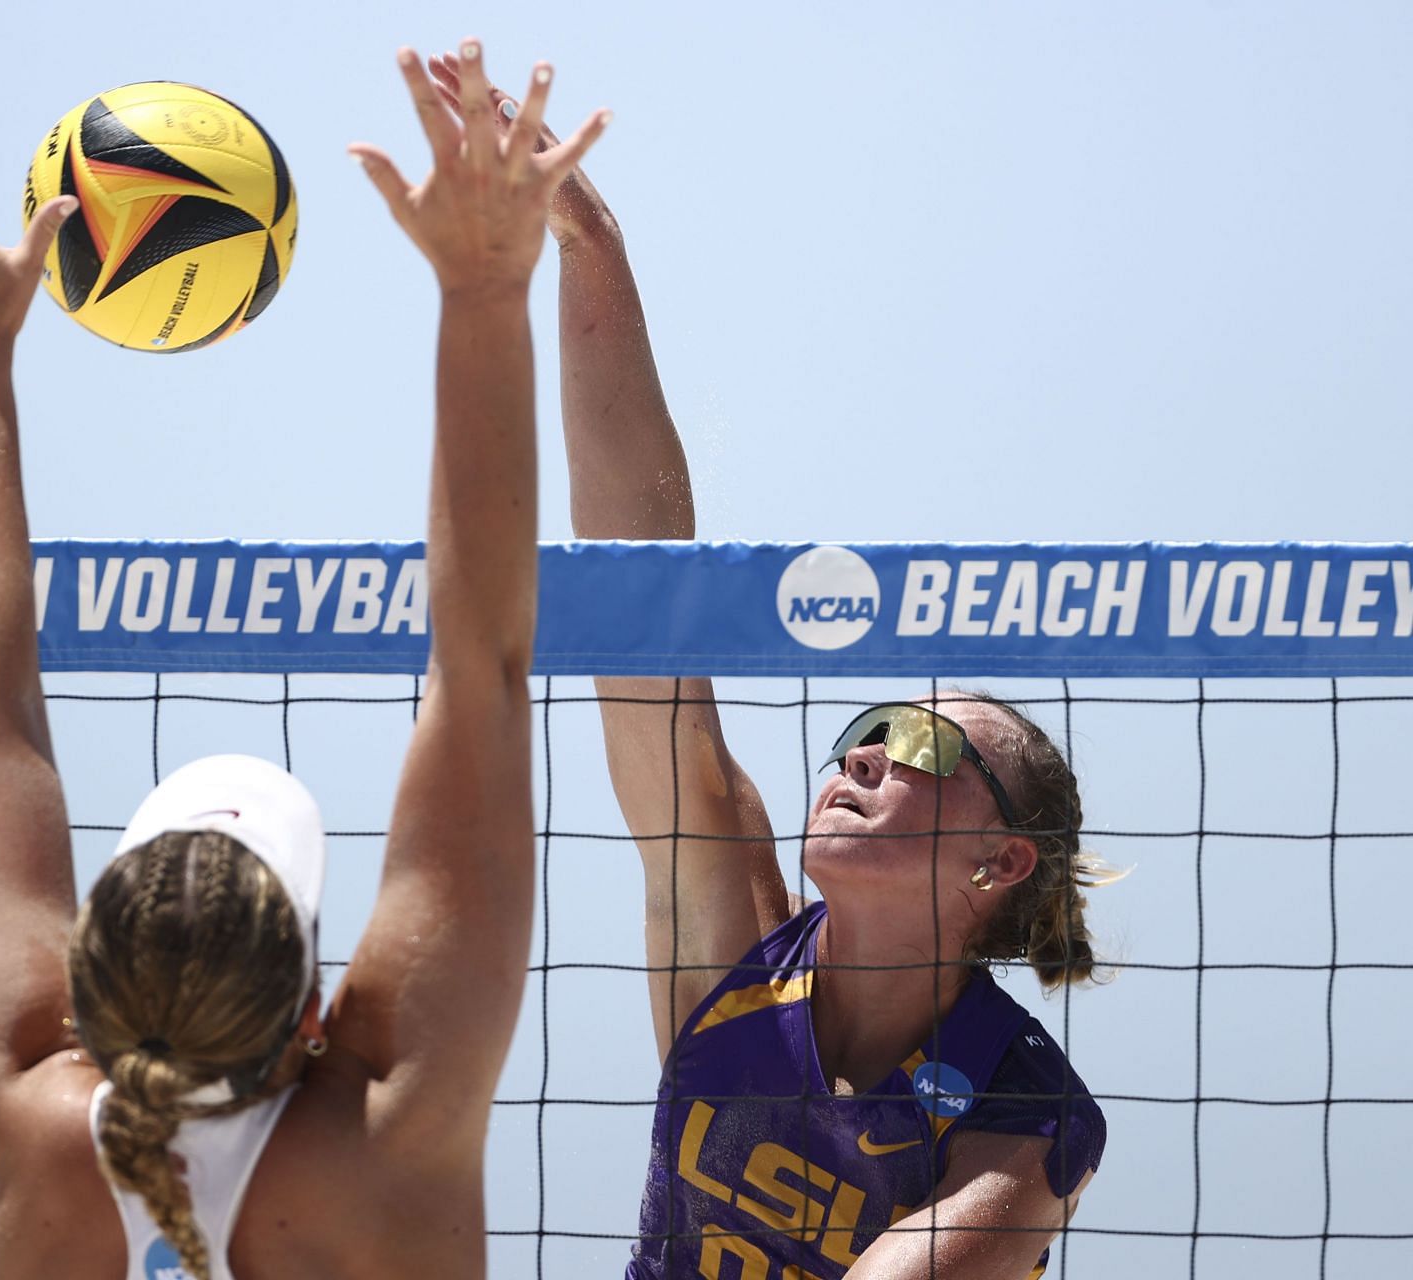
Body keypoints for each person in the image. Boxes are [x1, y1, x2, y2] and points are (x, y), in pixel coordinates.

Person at [0, 43, 608, 1280]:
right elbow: (484, 667)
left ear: (73, 993)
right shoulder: (388, 1147)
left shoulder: (28, 1131)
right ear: (316, 1013)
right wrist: (488, 284)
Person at [424, 56, 1111, 1280]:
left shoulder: (1029, 1115)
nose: (858, 750)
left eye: (920, 749)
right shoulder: (734, 926)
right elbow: (644, 601)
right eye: (867, 723)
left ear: (999, 861)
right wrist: (588, 245)